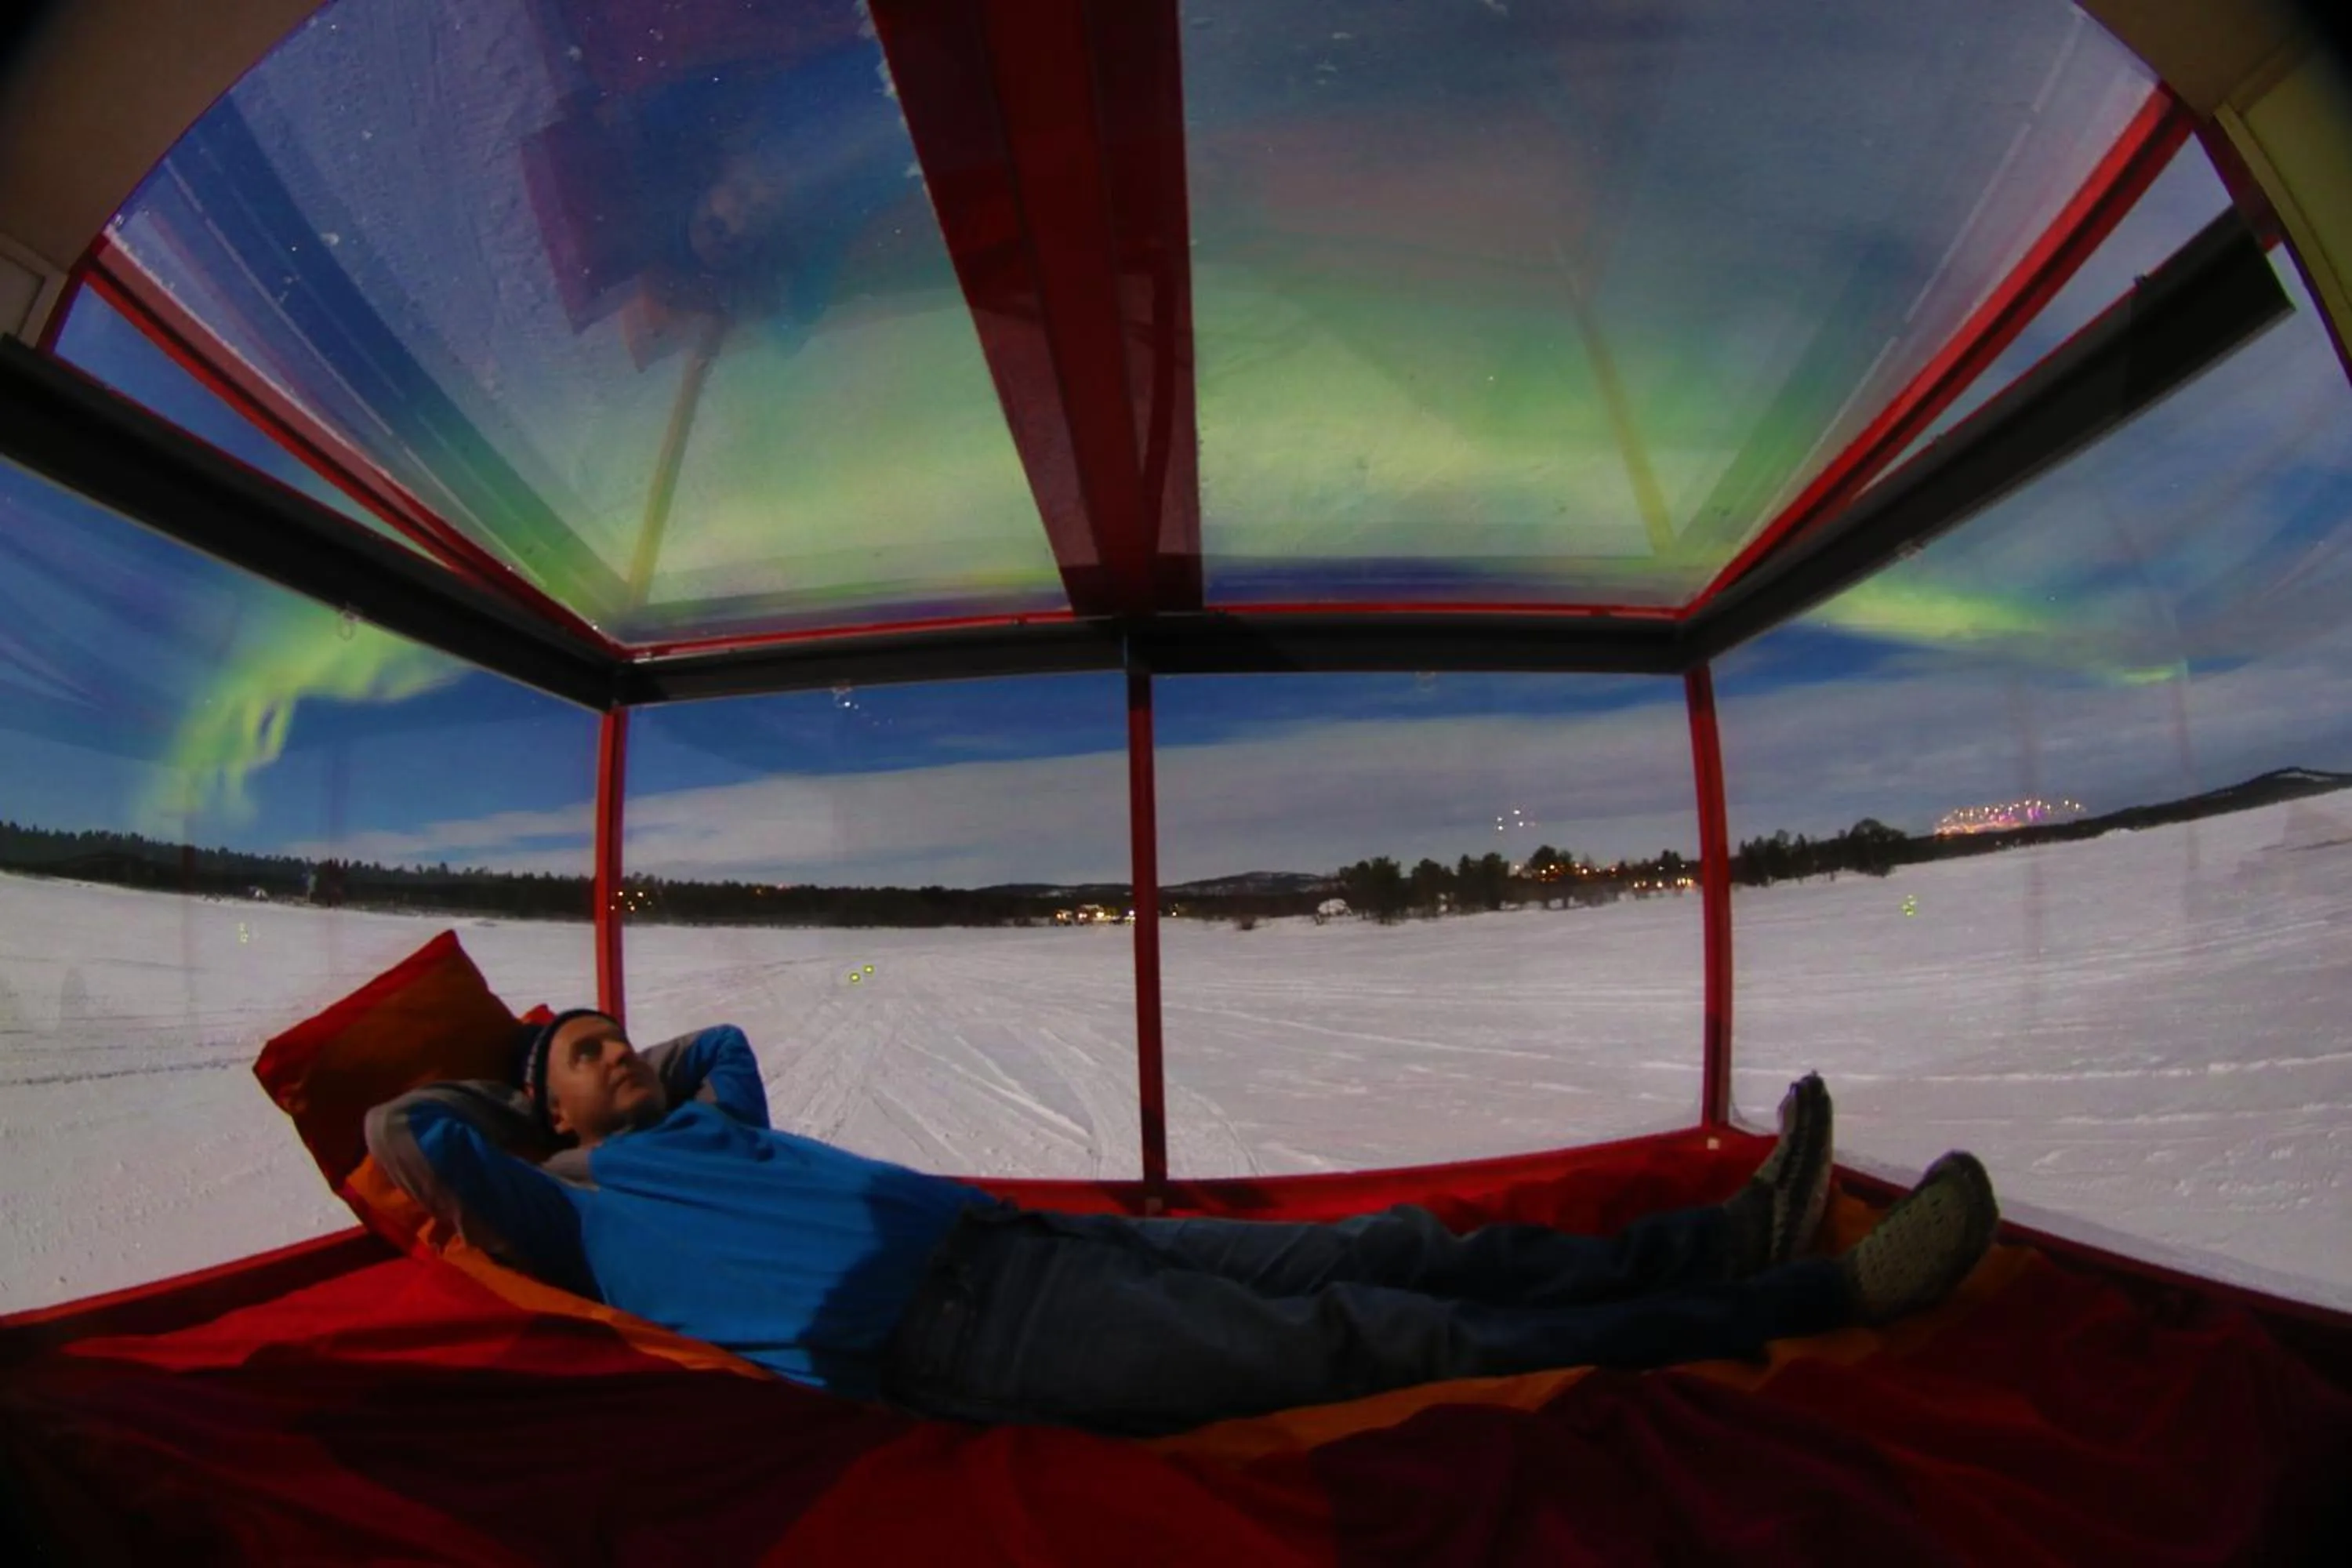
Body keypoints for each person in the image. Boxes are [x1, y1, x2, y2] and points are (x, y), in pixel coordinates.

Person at [366, 1011, 2000, 1437]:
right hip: (962, 1335)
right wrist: (527, 1105)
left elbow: (718, 1040)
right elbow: (402, 1132)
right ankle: (1817, 1297)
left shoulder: (702, 1115)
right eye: (587, 1052)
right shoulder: (563, 1205)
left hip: (1026, 1240)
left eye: (612, 1035)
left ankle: (1724, 1232)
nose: (624, 1054)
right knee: (1383, 1336)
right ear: (545, 1110)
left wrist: (633, 1067)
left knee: (1408, 1240)